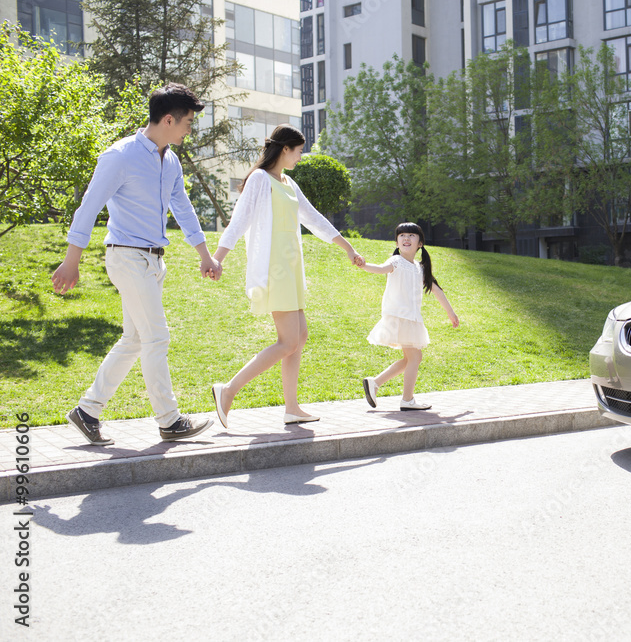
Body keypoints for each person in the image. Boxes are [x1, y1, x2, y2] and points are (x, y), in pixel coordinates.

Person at [51, 83, 222, 446]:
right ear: (168, 119)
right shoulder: (121, 156)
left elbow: (184, 208)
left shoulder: (170, 159)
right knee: (157, 336)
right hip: (127, 256)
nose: (190, 128)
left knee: (134, 339)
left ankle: (87, 411)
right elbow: (89, 206)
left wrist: (204, 253)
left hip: (153, 260)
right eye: (188, 122)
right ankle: (169, 420)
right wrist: (71, 261)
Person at [210, 124, 365, 427]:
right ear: (285, 149)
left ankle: (291, 408)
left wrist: (347, 247)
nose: (299, 157)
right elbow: (239, 220)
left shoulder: (288, 183)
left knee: (299, 337)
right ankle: (228, 391)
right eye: (298, 151)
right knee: (288, 341)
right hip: (274, 267)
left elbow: (313, 218)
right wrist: (218, 257)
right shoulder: (259, 179)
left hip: (291, 268)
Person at [360, 222, 459, 411]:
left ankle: (375, 383)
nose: (406, 238)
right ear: (397, 242)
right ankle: (407, 400)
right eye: (402, 235)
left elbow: (436, 290)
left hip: (411, 319)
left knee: (409, 359)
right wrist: (364, 265)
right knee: (415, 357)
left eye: (411, 235)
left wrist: (450, 313)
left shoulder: (419, 267)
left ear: (420, 243)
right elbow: (380, 269)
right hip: (400, 317)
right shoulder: (395, 262)